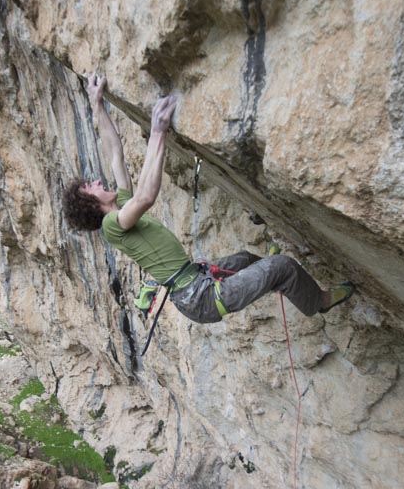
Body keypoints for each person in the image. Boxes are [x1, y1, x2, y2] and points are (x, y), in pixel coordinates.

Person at [62, 73, 354, 326]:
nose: (97, 181)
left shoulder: (121, 204)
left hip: (197, 282)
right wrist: (157, 133)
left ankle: (273, 274)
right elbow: (147, 196)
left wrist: (97, 104)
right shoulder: (113, 224)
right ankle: (321, 301)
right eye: (91, 186)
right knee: (283, 266)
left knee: (246, 259)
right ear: (91, 205)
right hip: (201, 298)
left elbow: (115, 154)